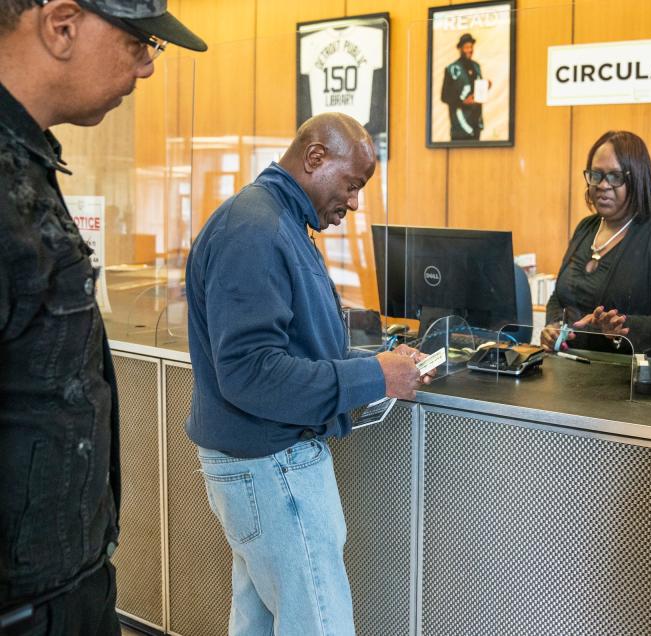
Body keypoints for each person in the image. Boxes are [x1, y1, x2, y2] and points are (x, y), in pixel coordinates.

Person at [0, 1, 205, 634]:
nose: (146, 67)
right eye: (139, 41)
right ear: (62, 25)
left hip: (71, 587)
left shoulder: (28, 160)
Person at [185, 112, 430, 635]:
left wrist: (372, 365)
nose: (356, 201)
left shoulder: (276, 222)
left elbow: (283, 348)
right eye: (353, 184)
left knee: (258, 622)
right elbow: (251, 372)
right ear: (316, 158)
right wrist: (374, 377)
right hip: (272, 466)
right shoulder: (258, 228)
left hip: (264, 465)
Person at [541, 130, 651, 359]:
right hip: (572, 371)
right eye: (596, 175)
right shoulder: (586, 227)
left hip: (636, 381)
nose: (603, 185)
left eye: (615, 177)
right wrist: (554, 326)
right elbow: (560, 296)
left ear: (636, 178)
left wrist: (620, 328)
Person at [440, 33, 485, 141]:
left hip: (476, 124)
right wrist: (462, 102)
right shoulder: (452, 69)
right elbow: (444, 96)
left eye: (471, 47)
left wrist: (486, 85)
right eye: (466, 47)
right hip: (460, 126)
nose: (469, 50)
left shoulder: (476, 67)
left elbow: (478, 90)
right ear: (460, 49)